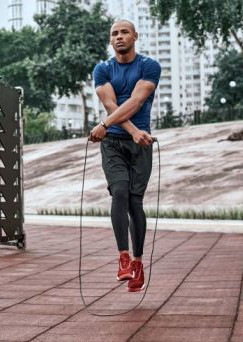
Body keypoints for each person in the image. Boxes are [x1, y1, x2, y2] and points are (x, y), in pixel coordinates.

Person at [90, 19, 161, 292]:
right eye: (114, 34)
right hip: (114, 144)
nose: (118, 37)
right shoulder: (103, 69)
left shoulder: (149, 66)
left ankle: (138, 262)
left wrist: (110, 126)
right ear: (110, 40)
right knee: (119, 191)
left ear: (135, 35)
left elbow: (135, 102)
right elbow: (111, 104)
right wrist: (126, 130)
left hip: (140, 144)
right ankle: (123, 259)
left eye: (124, 32)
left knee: (134, 202)